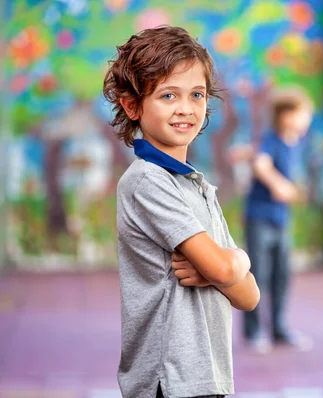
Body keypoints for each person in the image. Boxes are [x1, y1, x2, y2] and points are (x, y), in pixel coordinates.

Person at [103, 25, 260, 398]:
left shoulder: (197, 185)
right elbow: (227, 271)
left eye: (197, 95)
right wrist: (234, 263)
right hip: (169, 381)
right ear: (132, 105)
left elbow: (249, 297)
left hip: (206, 376)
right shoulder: (148, 182)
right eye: (168, 95)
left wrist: (219, 269)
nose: (186, 108)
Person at [242, 88, 314, 353]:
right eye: (302, 115)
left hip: (281, 220)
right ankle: (253, 331)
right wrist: (278, 184)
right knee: (257, 275)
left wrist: (295, 189)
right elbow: (260, 164)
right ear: (285, 115)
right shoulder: (270, 139)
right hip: (259, 217)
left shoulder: (296, 143)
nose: (306, 121)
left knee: (282, 275)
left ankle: (279, 328)